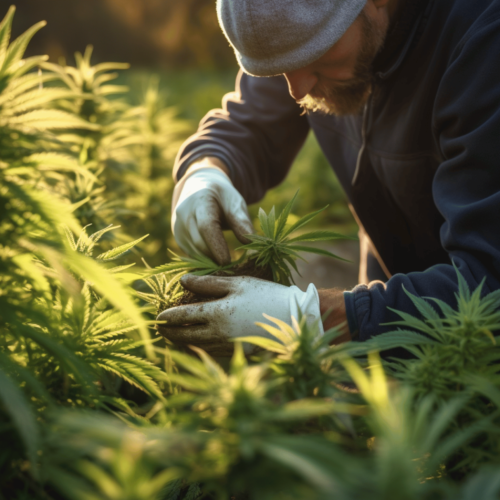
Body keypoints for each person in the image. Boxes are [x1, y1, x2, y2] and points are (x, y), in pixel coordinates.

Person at [157, 0, 500, 355]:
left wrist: (314, 317)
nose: (296, 90)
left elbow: (489, 281)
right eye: (279, 69)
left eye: (313, 54)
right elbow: (252, 123)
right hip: (385, 312)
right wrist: (205, 170)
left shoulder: (483, 42)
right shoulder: (310, 43)